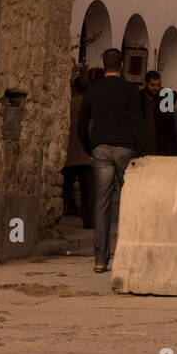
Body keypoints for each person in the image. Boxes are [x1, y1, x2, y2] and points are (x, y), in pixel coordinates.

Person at [76, 48, 144, 273]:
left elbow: (81, 124)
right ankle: (128, 256)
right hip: (125, 148)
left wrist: (90, 147)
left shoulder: (93, 91)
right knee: (130, 202)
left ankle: (100, 260)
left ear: (103, 65)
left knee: (102, 204)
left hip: (101, 149)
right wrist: (141, 152)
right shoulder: (131, 90)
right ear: (122, 65)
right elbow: (137, 124)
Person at [62, 76, 94, 227]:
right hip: (87, 154)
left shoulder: (68, 103)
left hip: (69, 152)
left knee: (65, 188)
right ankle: (89, 221)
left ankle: (55, 217)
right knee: (88, 191)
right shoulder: (91, 105)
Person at [139, 71, 177, 156]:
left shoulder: (165, 99)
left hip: (159, 147)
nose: (156, 88)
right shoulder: (138, 98)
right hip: (141, 147)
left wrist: (176, 153)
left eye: (158, 85)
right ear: (145, 84)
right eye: (152, 85)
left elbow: (171, 126)